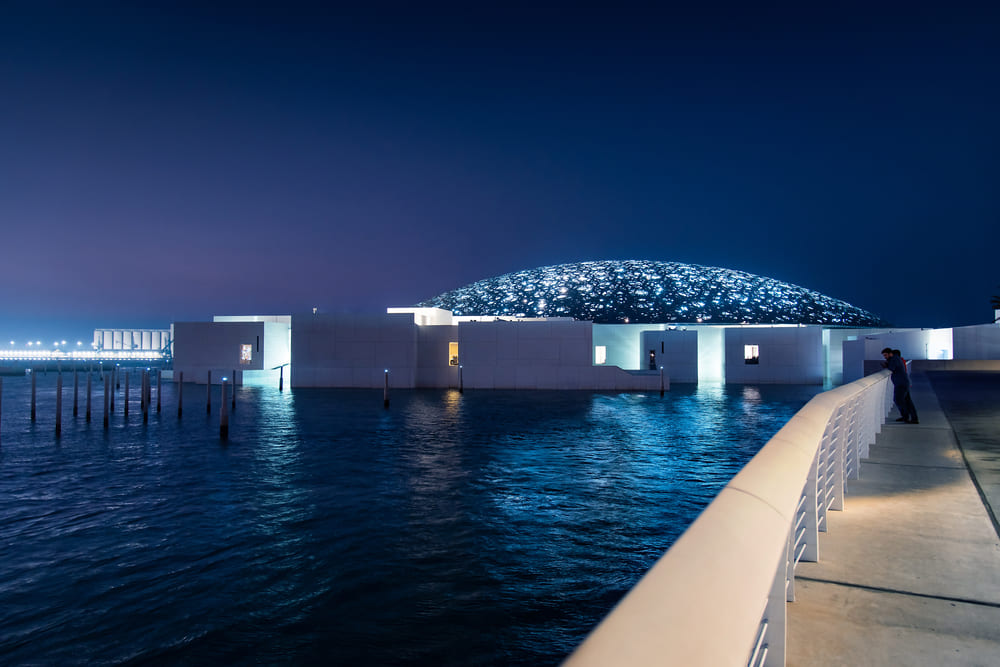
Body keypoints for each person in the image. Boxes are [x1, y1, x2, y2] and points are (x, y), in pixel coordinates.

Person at [881, 347, 918, 424]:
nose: (885, 357)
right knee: (907, 401)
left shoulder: (894, 359)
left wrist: (886, 365)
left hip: (901, 384)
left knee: (898, 400)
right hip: (903, 383)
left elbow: (892, 368)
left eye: (886, 355)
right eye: (884, 356)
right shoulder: (896, 359)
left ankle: (906, 417)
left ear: (890, 354)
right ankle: (912, 418)